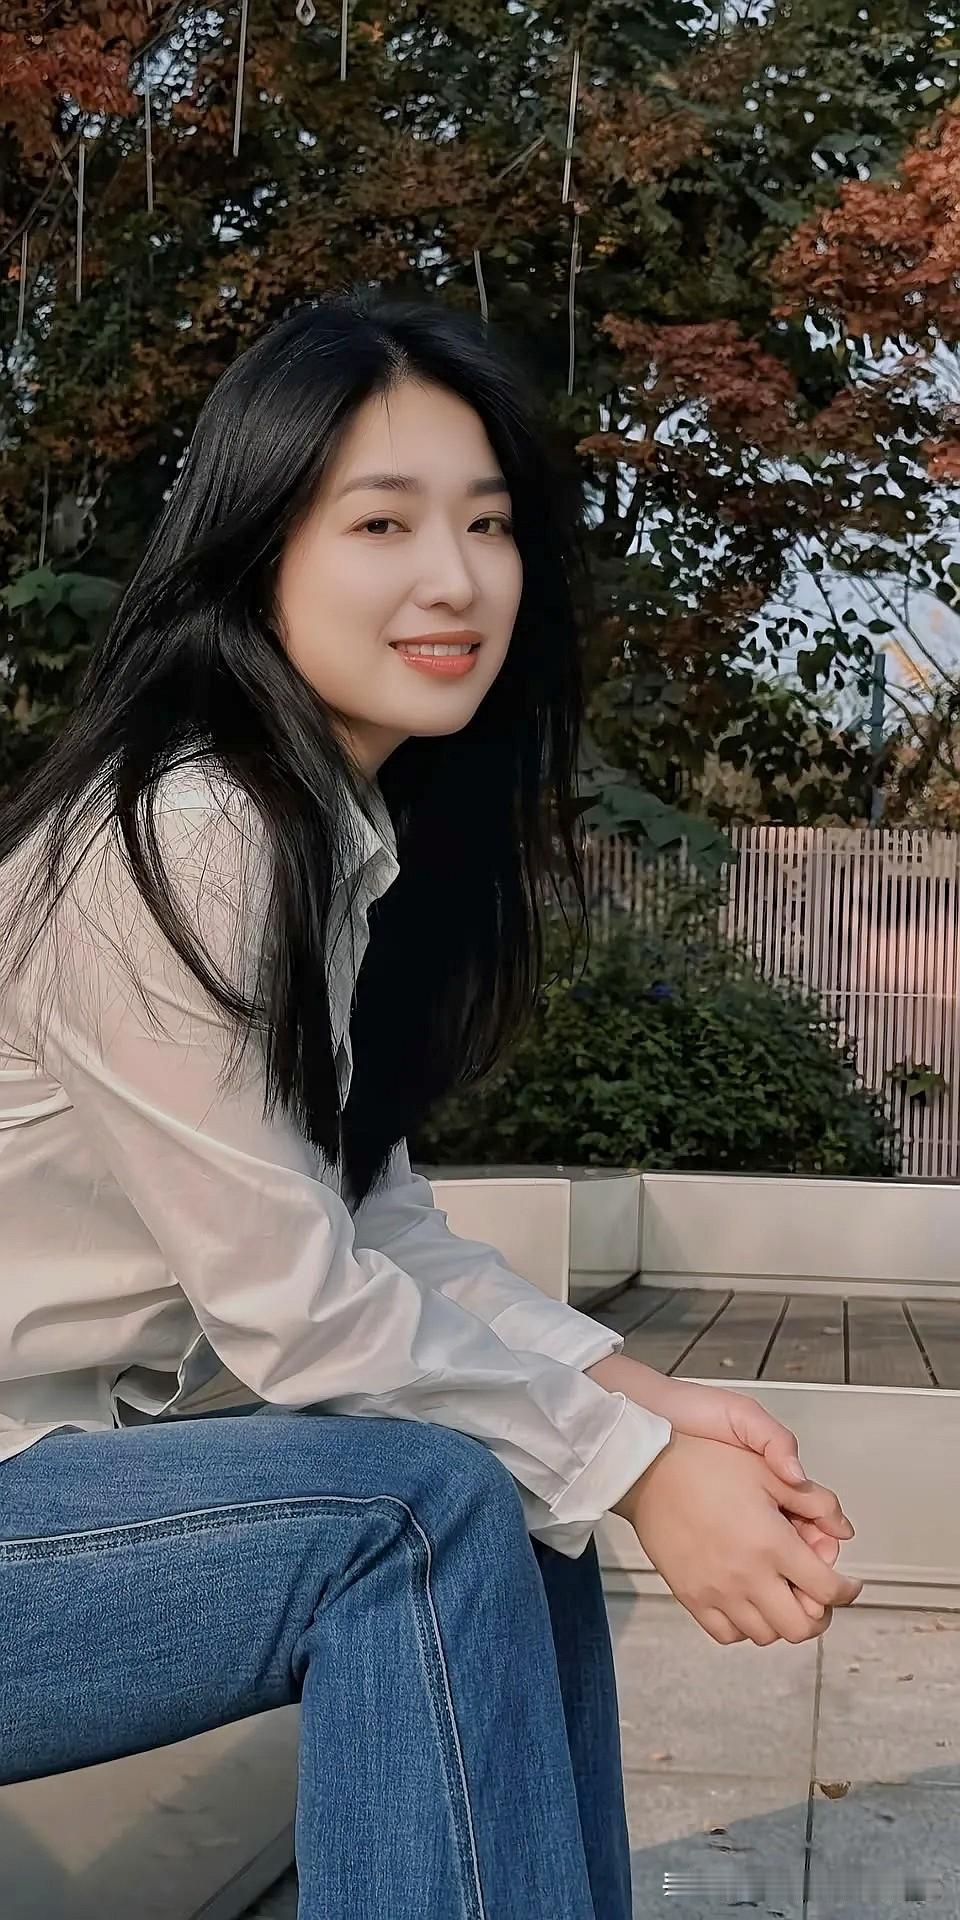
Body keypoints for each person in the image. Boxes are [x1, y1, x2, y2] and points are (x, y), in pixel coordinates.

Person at [0, 292, 861, 1919]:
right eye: (382, 523)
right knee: (430, 1500)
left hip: (49, 1489)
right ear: (257, 551)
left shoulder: (321, 843)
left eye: (489, 523)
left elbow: (382, 1234)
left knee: (518, 1490)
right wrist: (631, 1466)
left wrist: (641, 1402)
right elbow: (298, 1314)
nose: (456, 579)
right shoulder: (181, 835)